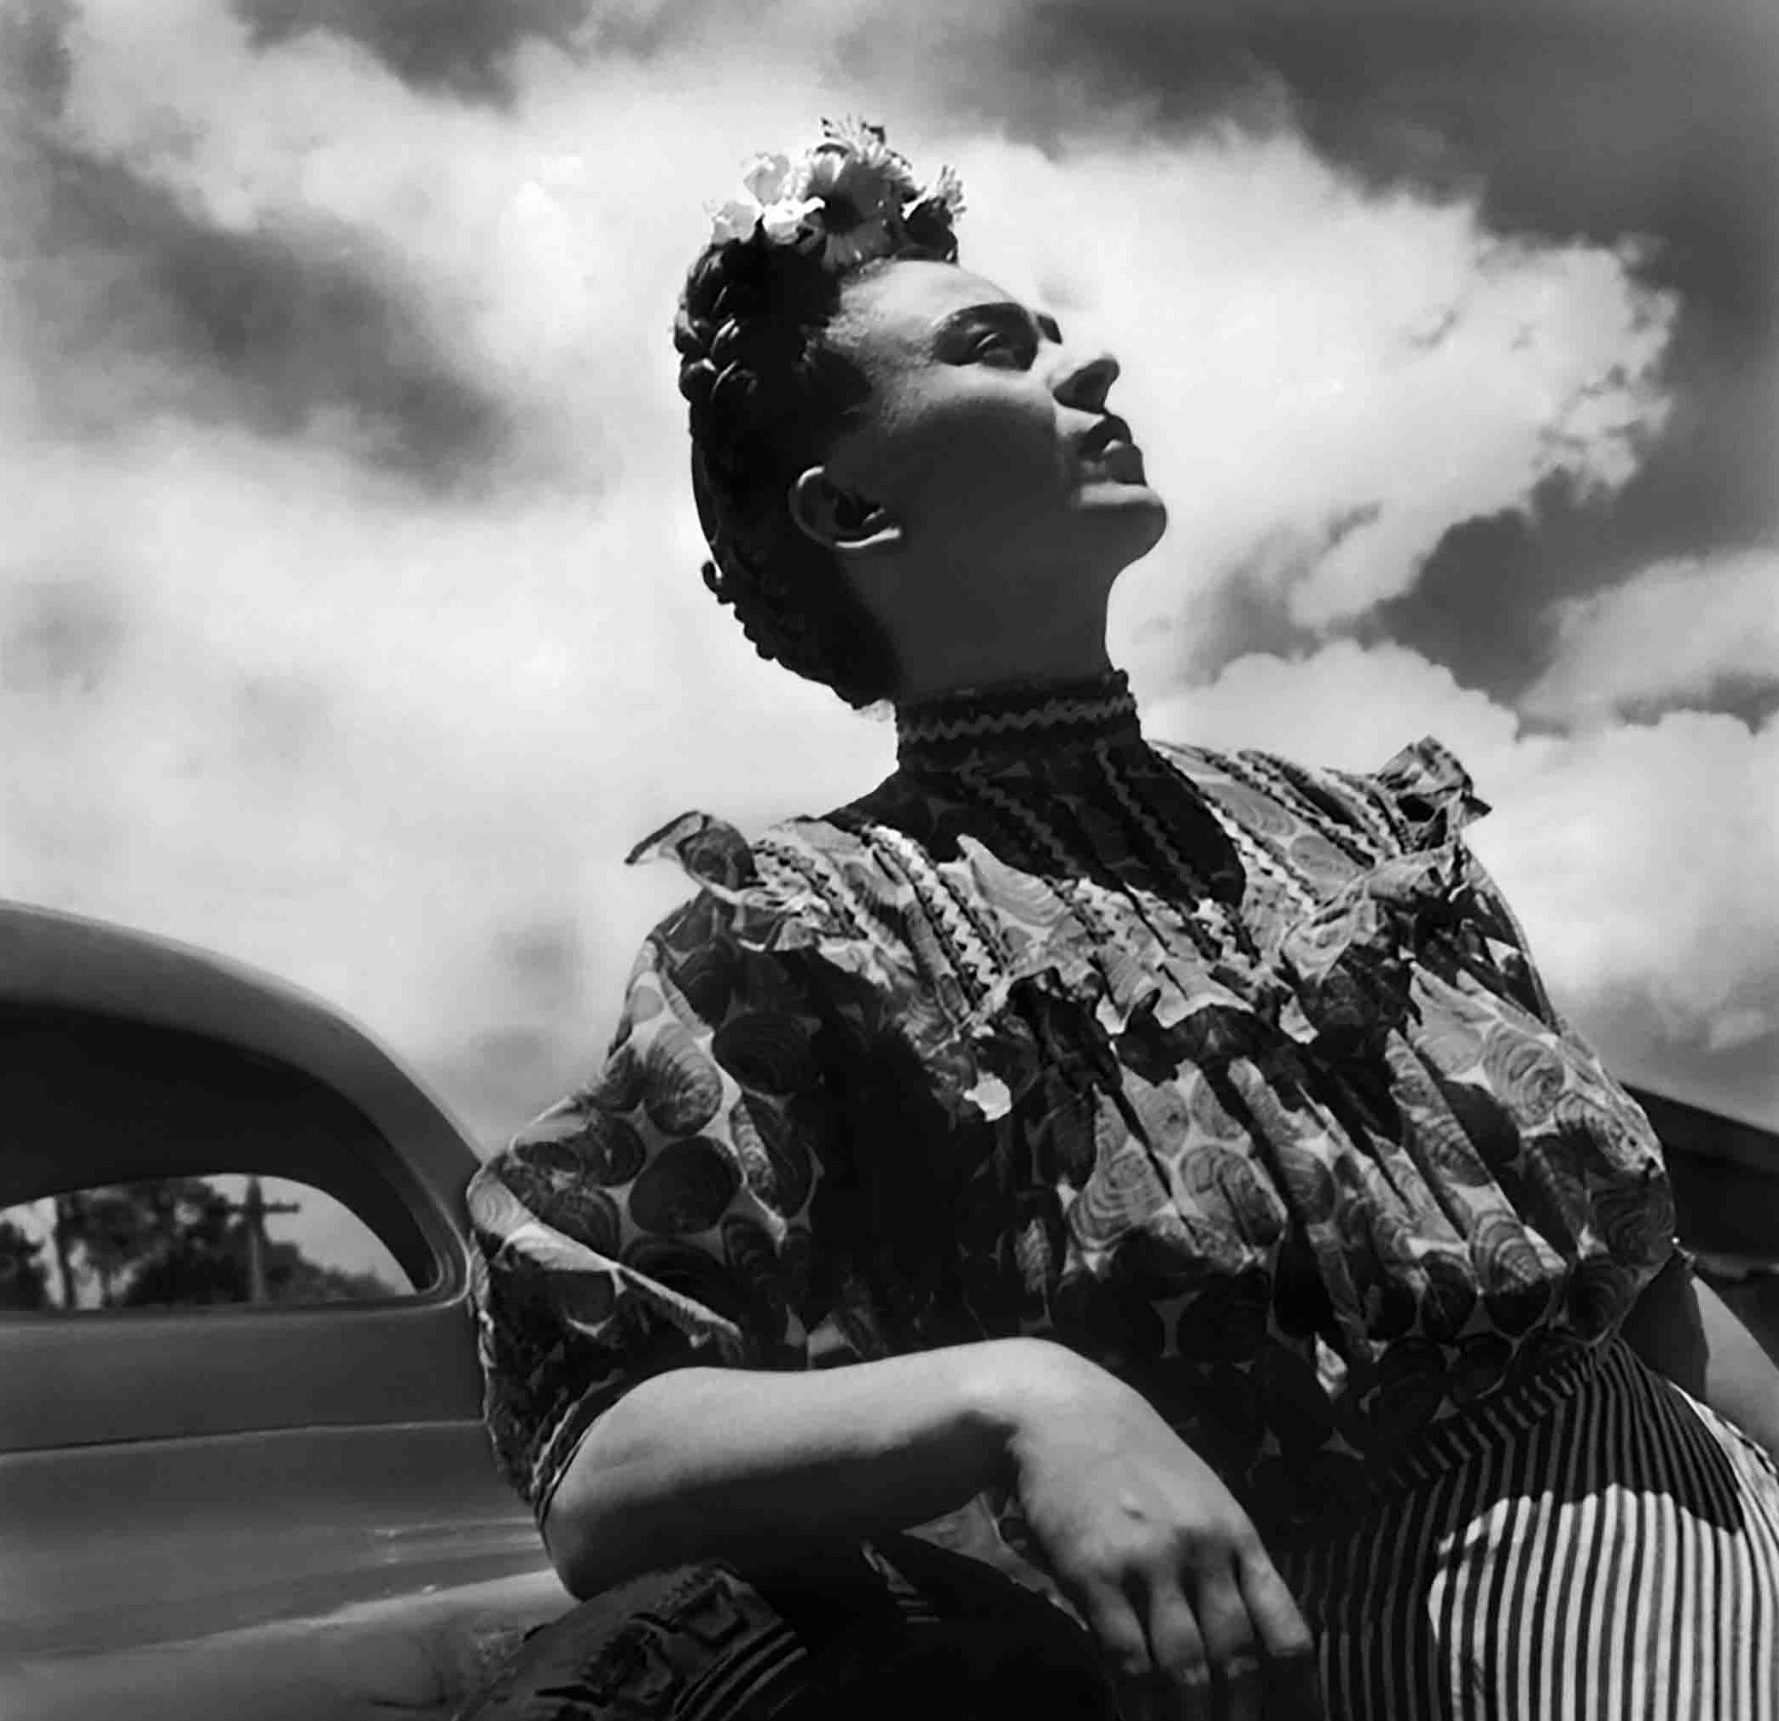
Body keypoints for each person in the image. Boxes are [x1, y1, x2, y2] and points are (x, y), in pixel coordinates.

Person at [459, 119, 1779, 1721]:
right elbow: (605, 1461)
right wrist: (1018, 1402)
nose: (1090, 373)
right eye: (998, 350)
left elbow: (1644, 1291)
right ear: (851, 509)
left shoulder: (1376, 841)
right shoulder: (804, 933)